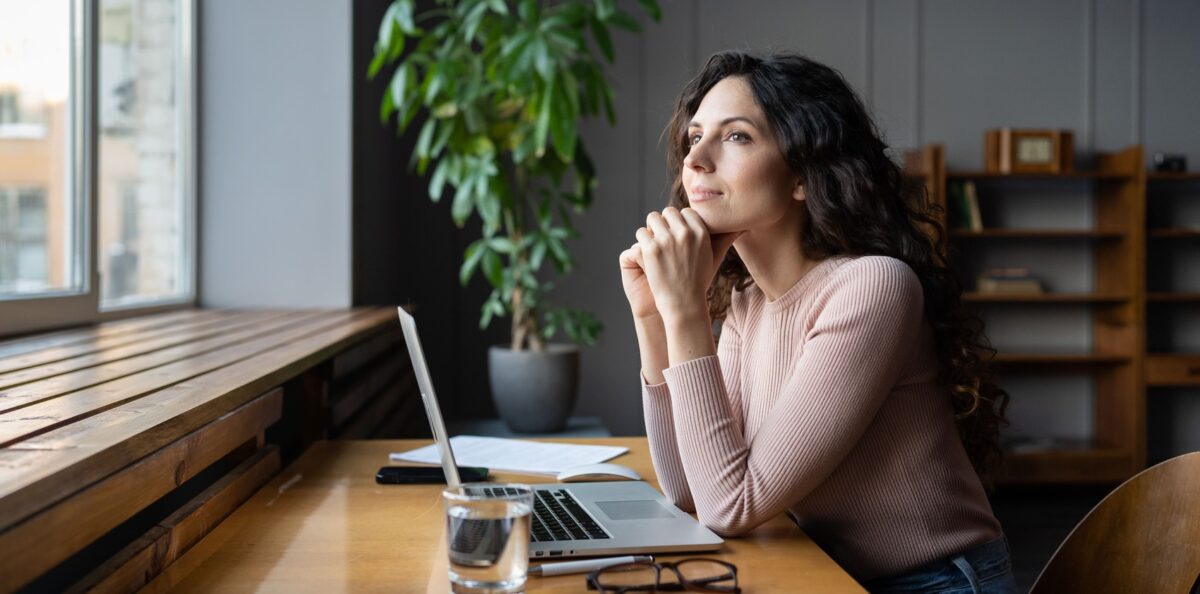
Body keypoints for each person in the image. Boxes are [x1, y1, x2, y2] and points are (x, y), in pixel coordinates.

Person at [617, 51, 1020, 593]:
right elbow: (689, 491)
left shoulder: (872, 287)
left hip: (934, 582)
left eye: (736, 136)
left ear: (803, 175)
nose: (697, 160)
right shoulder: (749, 304)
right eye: (694, 137)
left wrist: (686, 308)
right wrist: (652, 315)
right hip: (833, 574)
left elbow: (731, 506)